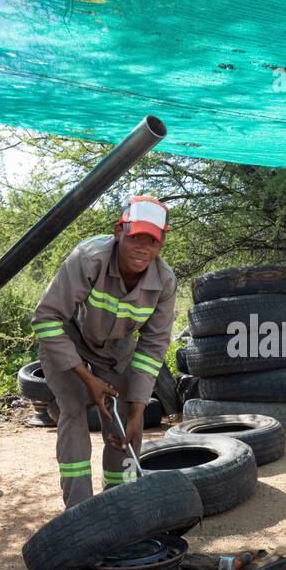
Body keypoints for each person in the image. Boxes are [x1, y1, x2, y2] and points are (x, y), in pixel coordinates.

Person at [32, 195, 176, 507]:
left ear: (162, 243)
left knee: (125, 420)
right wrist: (86, 378)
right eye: (135, 236)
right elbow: (45, 319)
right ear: (118, 231)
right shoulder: (89, 258)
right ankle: (80, 508)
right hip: (66, 339)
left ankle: (120, 503)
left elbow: (153, 348)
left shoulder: (164, 282)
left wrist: (138, 409)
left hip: (115, 350)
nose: (142, 247)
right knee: (72, 411)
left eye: (151, 240)